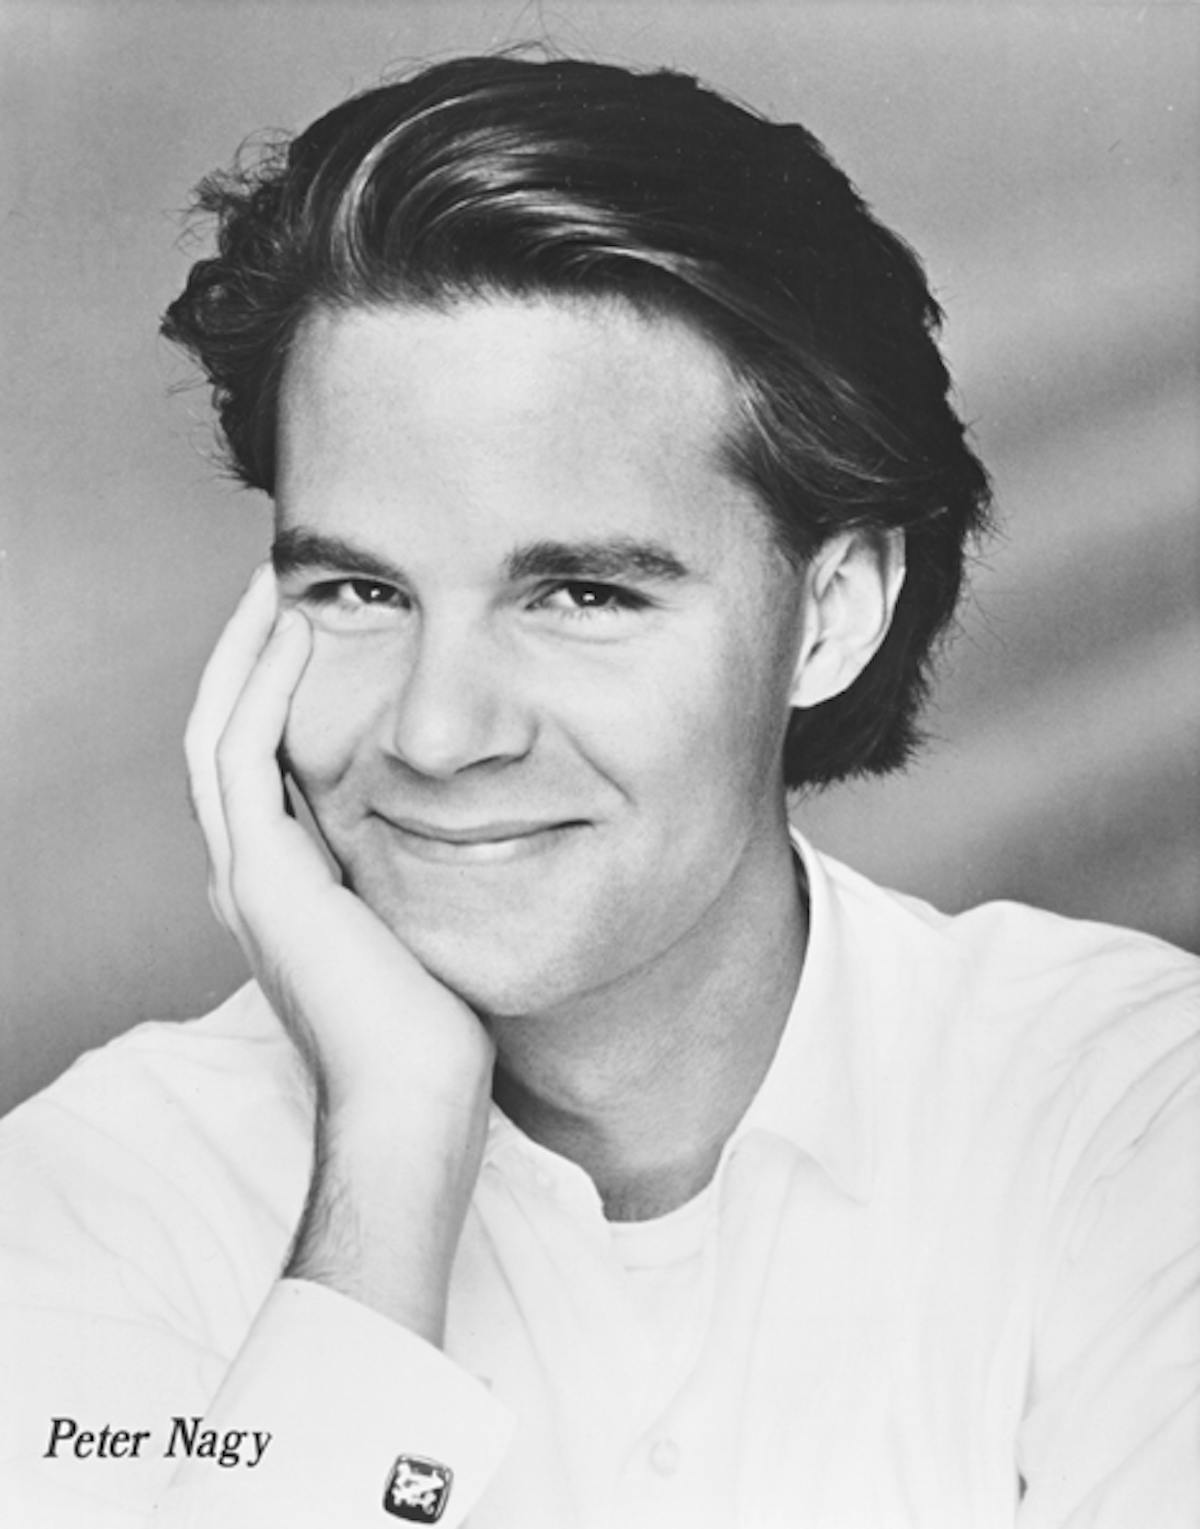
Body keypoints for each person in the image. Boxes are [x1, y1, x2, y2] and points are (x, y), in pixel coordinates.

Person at [1, 52, 1197, 1529]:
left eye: (579, 594)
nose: (439, 732)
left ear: (832, 613)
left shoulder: (1133, 1114)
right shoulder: (93, 1199)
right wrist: (393, 1137)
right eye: (360, 589)